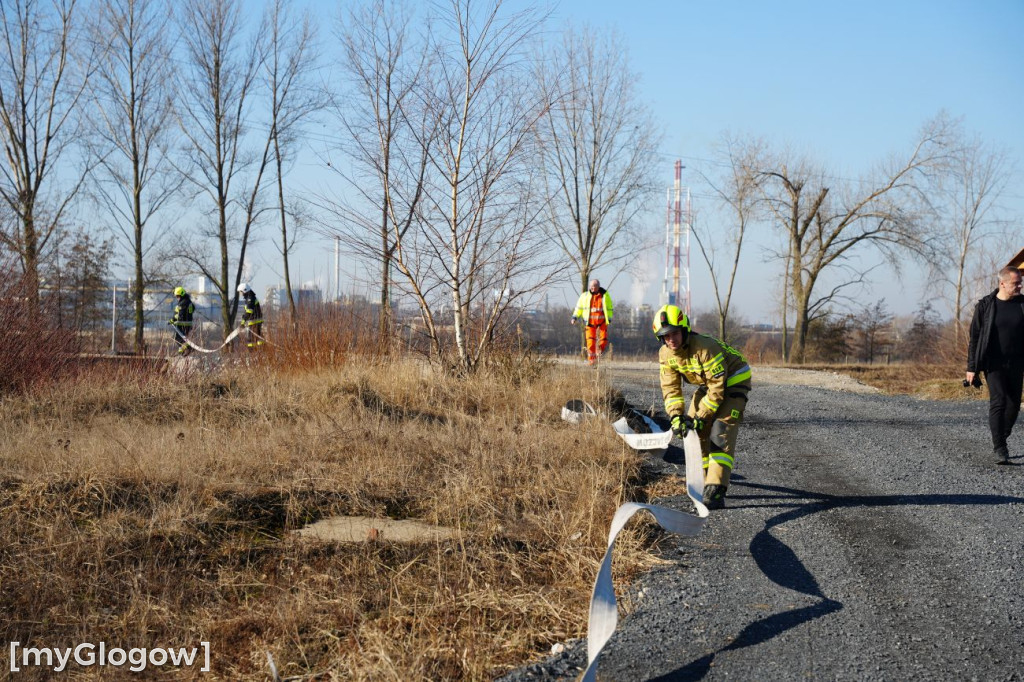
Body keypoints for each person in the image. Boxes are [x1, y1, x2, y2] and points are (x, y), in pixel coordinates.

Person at [653, 304, 752, 510]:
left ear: (684, 330)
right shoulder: (666, 354)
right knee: (693, 431)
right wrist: (676, 416)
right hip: (707, 384)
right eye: (666, 336)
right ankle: (704, 480)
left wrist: (702, 416)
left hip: (733, 381)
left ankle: (716, 489)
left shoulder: (705, 348)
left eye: (675, 333)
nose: (671, 339)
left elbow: (718, 389)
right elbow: (671, 389)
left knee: (720, 431)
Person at [966, 266, 1024, 465]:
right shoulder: (985, 306)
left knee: (1014, 406)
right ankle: (1000, 447)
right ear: (1002, 283)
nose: (1020, 286)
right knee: (998, 401)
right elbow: (974, 338)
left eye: (1020, 282)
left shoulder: (1023, 304)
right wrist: (971, 368)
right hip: (993, 363)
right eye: (1016, 283)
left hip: (1017, 362)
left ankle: (1002, 434)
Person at [571, 278, 613, 365]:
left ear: (598, 286)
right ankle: (592, 361)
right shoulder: (584, 296)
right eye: (591, 286)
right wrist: (574, 317)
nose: (592, 288)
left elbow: (609, 308)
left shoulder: (605, 296)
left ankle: (599, 352)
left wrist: (609, 318)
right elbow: (579, 308)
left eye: (594, 286)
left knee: (603, 340)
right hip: (590, 323)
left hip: (602, 323)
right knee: (590, 342)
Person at [237, 282, 264, 350]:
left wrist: (243, 322)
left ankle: (254, 353)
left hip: (254, 322)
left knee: (251, 339)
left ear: (244, 290)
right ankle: (260, 352)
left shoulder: (250, 298)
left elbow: (249, 311)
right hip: (254, 321)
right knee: (255, 338)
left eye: (240, 292)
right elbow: (247, 311)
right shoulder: (249, 298)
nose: (240, 294)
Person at [169, 286, 195, 356]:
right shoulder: (189, 302)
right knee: (183, 338)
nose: (177, 298)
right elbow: (193, 309)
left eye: (177, 296)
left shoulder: (183, 303)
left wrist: (173, 320)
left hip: (182, 323)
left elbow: (180, 314)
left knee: (177, 338)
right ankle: (182, 351)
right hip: (188, 324)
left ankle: (189, 348)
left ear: (180, 295)